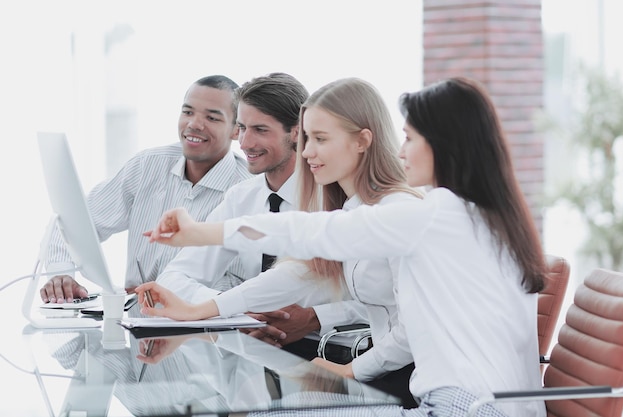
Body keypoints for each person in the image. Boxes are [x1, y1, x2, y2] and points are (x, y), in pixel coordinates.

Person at [138, 77, 548, 417]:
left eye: (410, 138)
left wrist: (201, 233)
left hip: (465, 408)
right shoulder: (468, 215)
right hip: (460, 402)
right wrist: (200, 310)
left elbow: (307, 233)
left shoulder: (430, 214)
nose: (401, 150)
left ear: (444, 144)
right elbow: (301, 270)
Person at [142, 78, 422, 408]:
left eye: (319, 139)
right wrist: (202, 309)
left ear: (362, 141)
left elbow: (293, 231)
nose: (307, 151)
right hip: (387, 376)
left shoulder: (395, 212)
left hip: (410, 381)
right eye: (308, 138)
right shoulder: (349, 207)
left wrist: (351, 369)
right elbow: (296, 273)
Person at [155, 72, 370, 366]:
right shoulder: (240, 198)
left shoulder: (336, 195)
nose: (244, 142)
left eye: (259, 130)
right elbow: (174, 277)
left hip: (331, 353)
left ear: (296, 132)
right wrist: (239, 313)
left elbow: (379, 297)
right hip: (250, 351)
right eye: (241, 128)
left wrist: (316, 317)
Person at [40, 75, 252, 304]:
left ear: (236, 131)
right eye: (188, 112)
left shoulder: (247, 190)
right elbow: (71, 224)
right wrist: (61, 274)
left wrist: (166, 294)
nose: (194, 124)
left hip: (207, 329)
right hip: (136, 323)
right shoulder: (147, 166)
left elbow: (240, 283)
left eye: (212, 117)